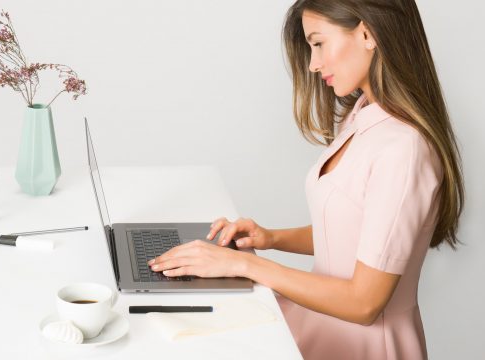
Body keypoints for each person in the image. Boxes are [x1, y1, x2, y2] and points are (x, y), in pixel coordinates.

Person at [148, 0, 464, 359]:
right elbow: (355, 233)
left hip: (368, 346)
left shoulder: (404, 149)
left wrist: (244, 264)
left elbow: (364, 304)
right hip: (320, 325)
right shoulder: (362, 118)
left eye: (318, 43)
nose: (313, 64)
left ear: (367, 33)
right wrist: (270, 238)